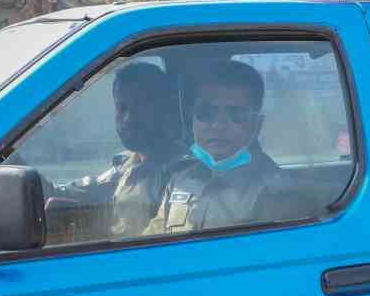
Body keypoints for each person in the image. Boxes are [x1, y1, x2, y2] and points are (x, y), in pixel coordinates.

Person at [145, 60, 309, 233]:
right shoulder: (180, 179)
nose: (218, 125)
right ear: (191, 119)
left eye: (237, 114)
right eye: (206, 112)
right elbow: (152, 238)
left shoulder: (277, 194)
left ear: (257, 125)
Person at [59, 61, 185, 237]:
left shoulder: (183, 176)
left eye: (140, 108)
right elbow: (91, 187)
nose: (128, 118)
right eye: (122, 108)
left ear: (164, 110)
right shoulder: (126, 164)